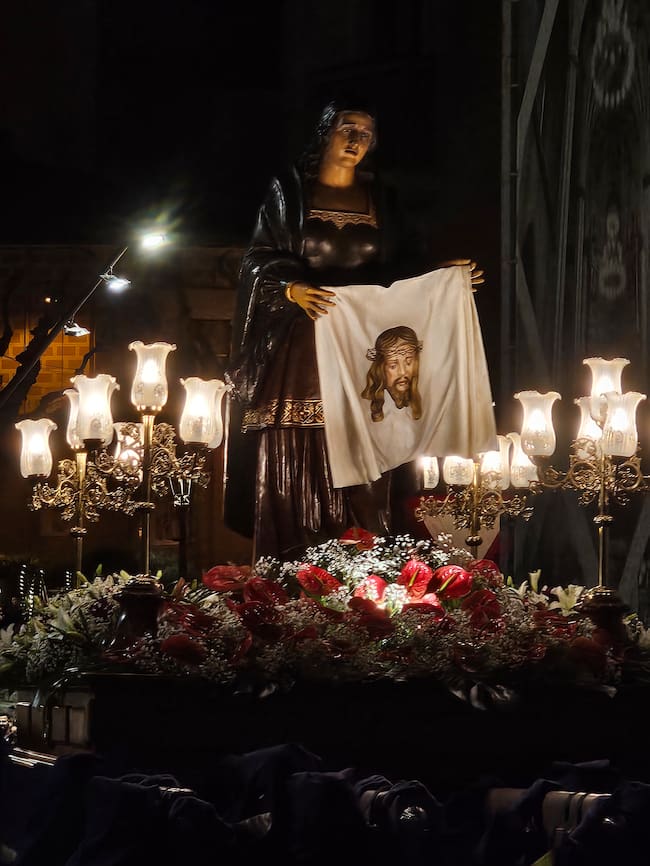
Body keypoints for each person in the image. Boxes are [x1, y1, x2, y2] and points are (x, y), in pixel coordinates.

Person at [227, 100, 483, 559]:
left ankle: (365, 555)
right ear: (325, 134)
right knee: (304, 441)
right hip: (306, 336)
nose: (355, 141)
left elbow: (399, 266)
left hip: (363, 339)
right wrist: (291, 289)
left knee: (369, 435)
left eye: (365, 134)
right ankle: (295, 556)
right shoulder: (289, 192)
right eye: (347, 130)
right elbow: (256, 259)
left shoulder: (381, 198)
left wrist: (440, 275)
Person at [362, 326, 423, 422]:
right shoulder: (364, 408)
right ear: (381, 368)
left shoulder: (420, 398)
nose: (403, 372)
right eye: (393, 366)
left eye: (408, 363)